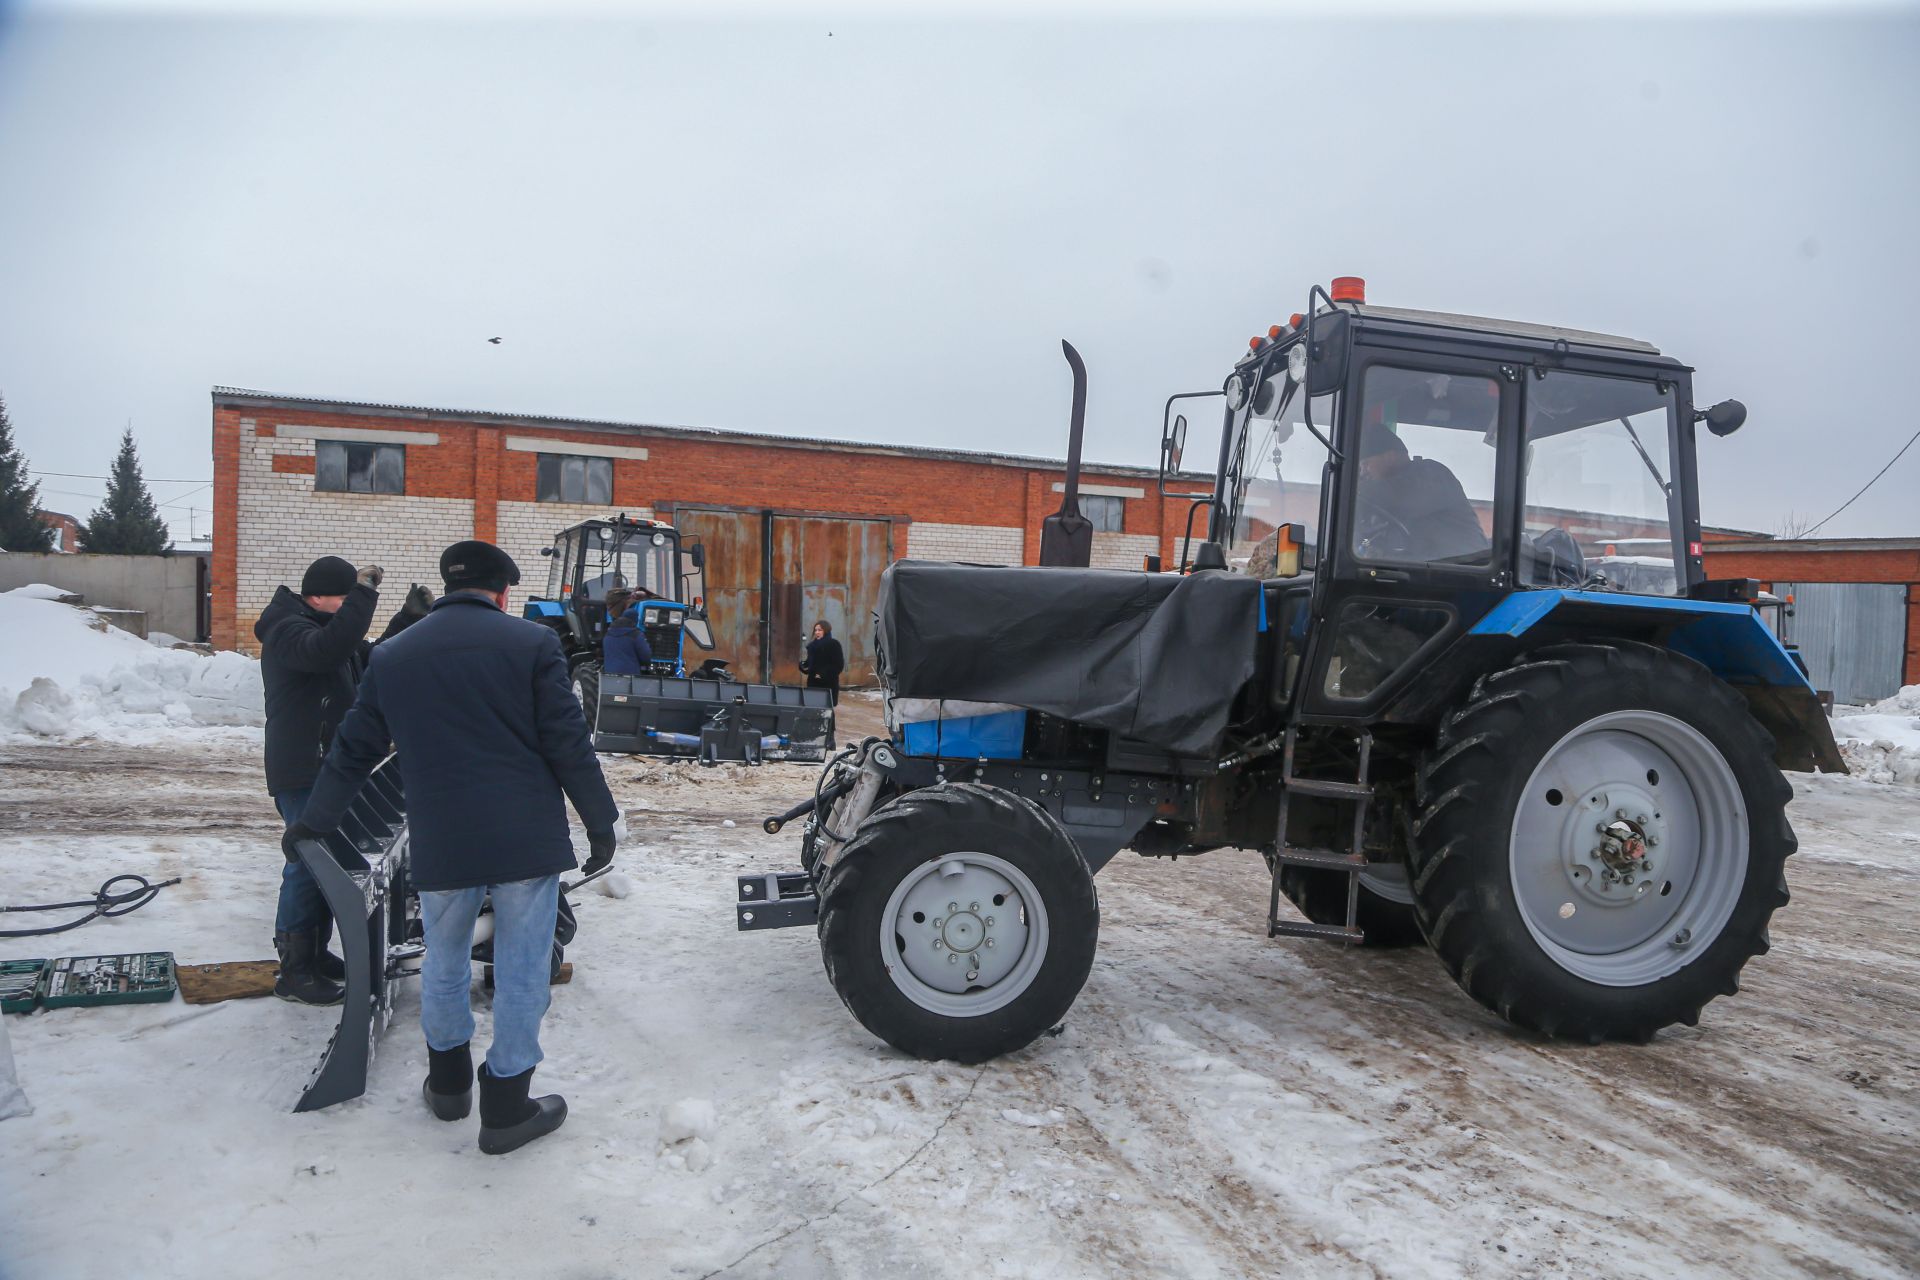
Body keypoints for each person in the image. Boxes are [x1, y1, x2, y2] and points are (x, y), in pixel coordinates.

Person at [284, 540, 619, 1156]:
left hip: (444, 836)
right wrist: (601, 825)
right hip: (525, 839)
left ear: (446, 586)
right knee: (521, 969)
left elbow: (354, 749)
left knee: (444, 960)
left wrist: (314, 821)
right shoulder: (534, 645)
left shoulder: (394, 654)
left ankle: (448, 1086)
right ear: (503, 592)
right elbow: (568, 745)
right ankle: (508, 1103)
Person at [254, 554, 385, 1006]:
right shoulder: (288, 630)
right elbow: (328, 649)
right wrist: (366, 595)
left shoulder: (322, 630)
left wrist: (410, 617)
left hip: (328, 767)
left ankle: (314, 954)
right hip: (304, 770)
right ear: (318, 596)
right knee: (307, 867)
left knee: (325, 867)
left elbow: (375, 654)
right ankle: (294, 970)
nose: (350, 607)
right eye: (345, 598)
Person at [1352, 422, 1488, 565]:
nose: (1363, 473)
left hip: (1463, 570)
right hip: (1425, 569)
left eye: (1366, 464)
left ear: (1390, 456)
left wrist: (1350, 487)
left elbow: (1396, 495)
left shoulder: (1432, 475)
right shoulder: (1381, 496)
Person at [600, 588, 653, 676]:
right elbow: (646, 657)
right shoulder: (635, 635)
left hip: (610, 677)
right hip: (631, 677)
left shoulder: (608, 635)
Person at [798, 619, 845, 703]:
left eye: (820, 630)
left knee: (825, 711)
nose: (817, 632)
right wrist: (803, 665)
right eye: (815, 630)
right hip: (813, 683)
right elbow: (811, 663)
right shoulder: (812, 646)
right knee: (812, 708)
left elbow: (838, 665)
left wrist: (822, 674)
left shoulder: (834, 644)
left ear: (826, 631)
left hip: (828, 684)